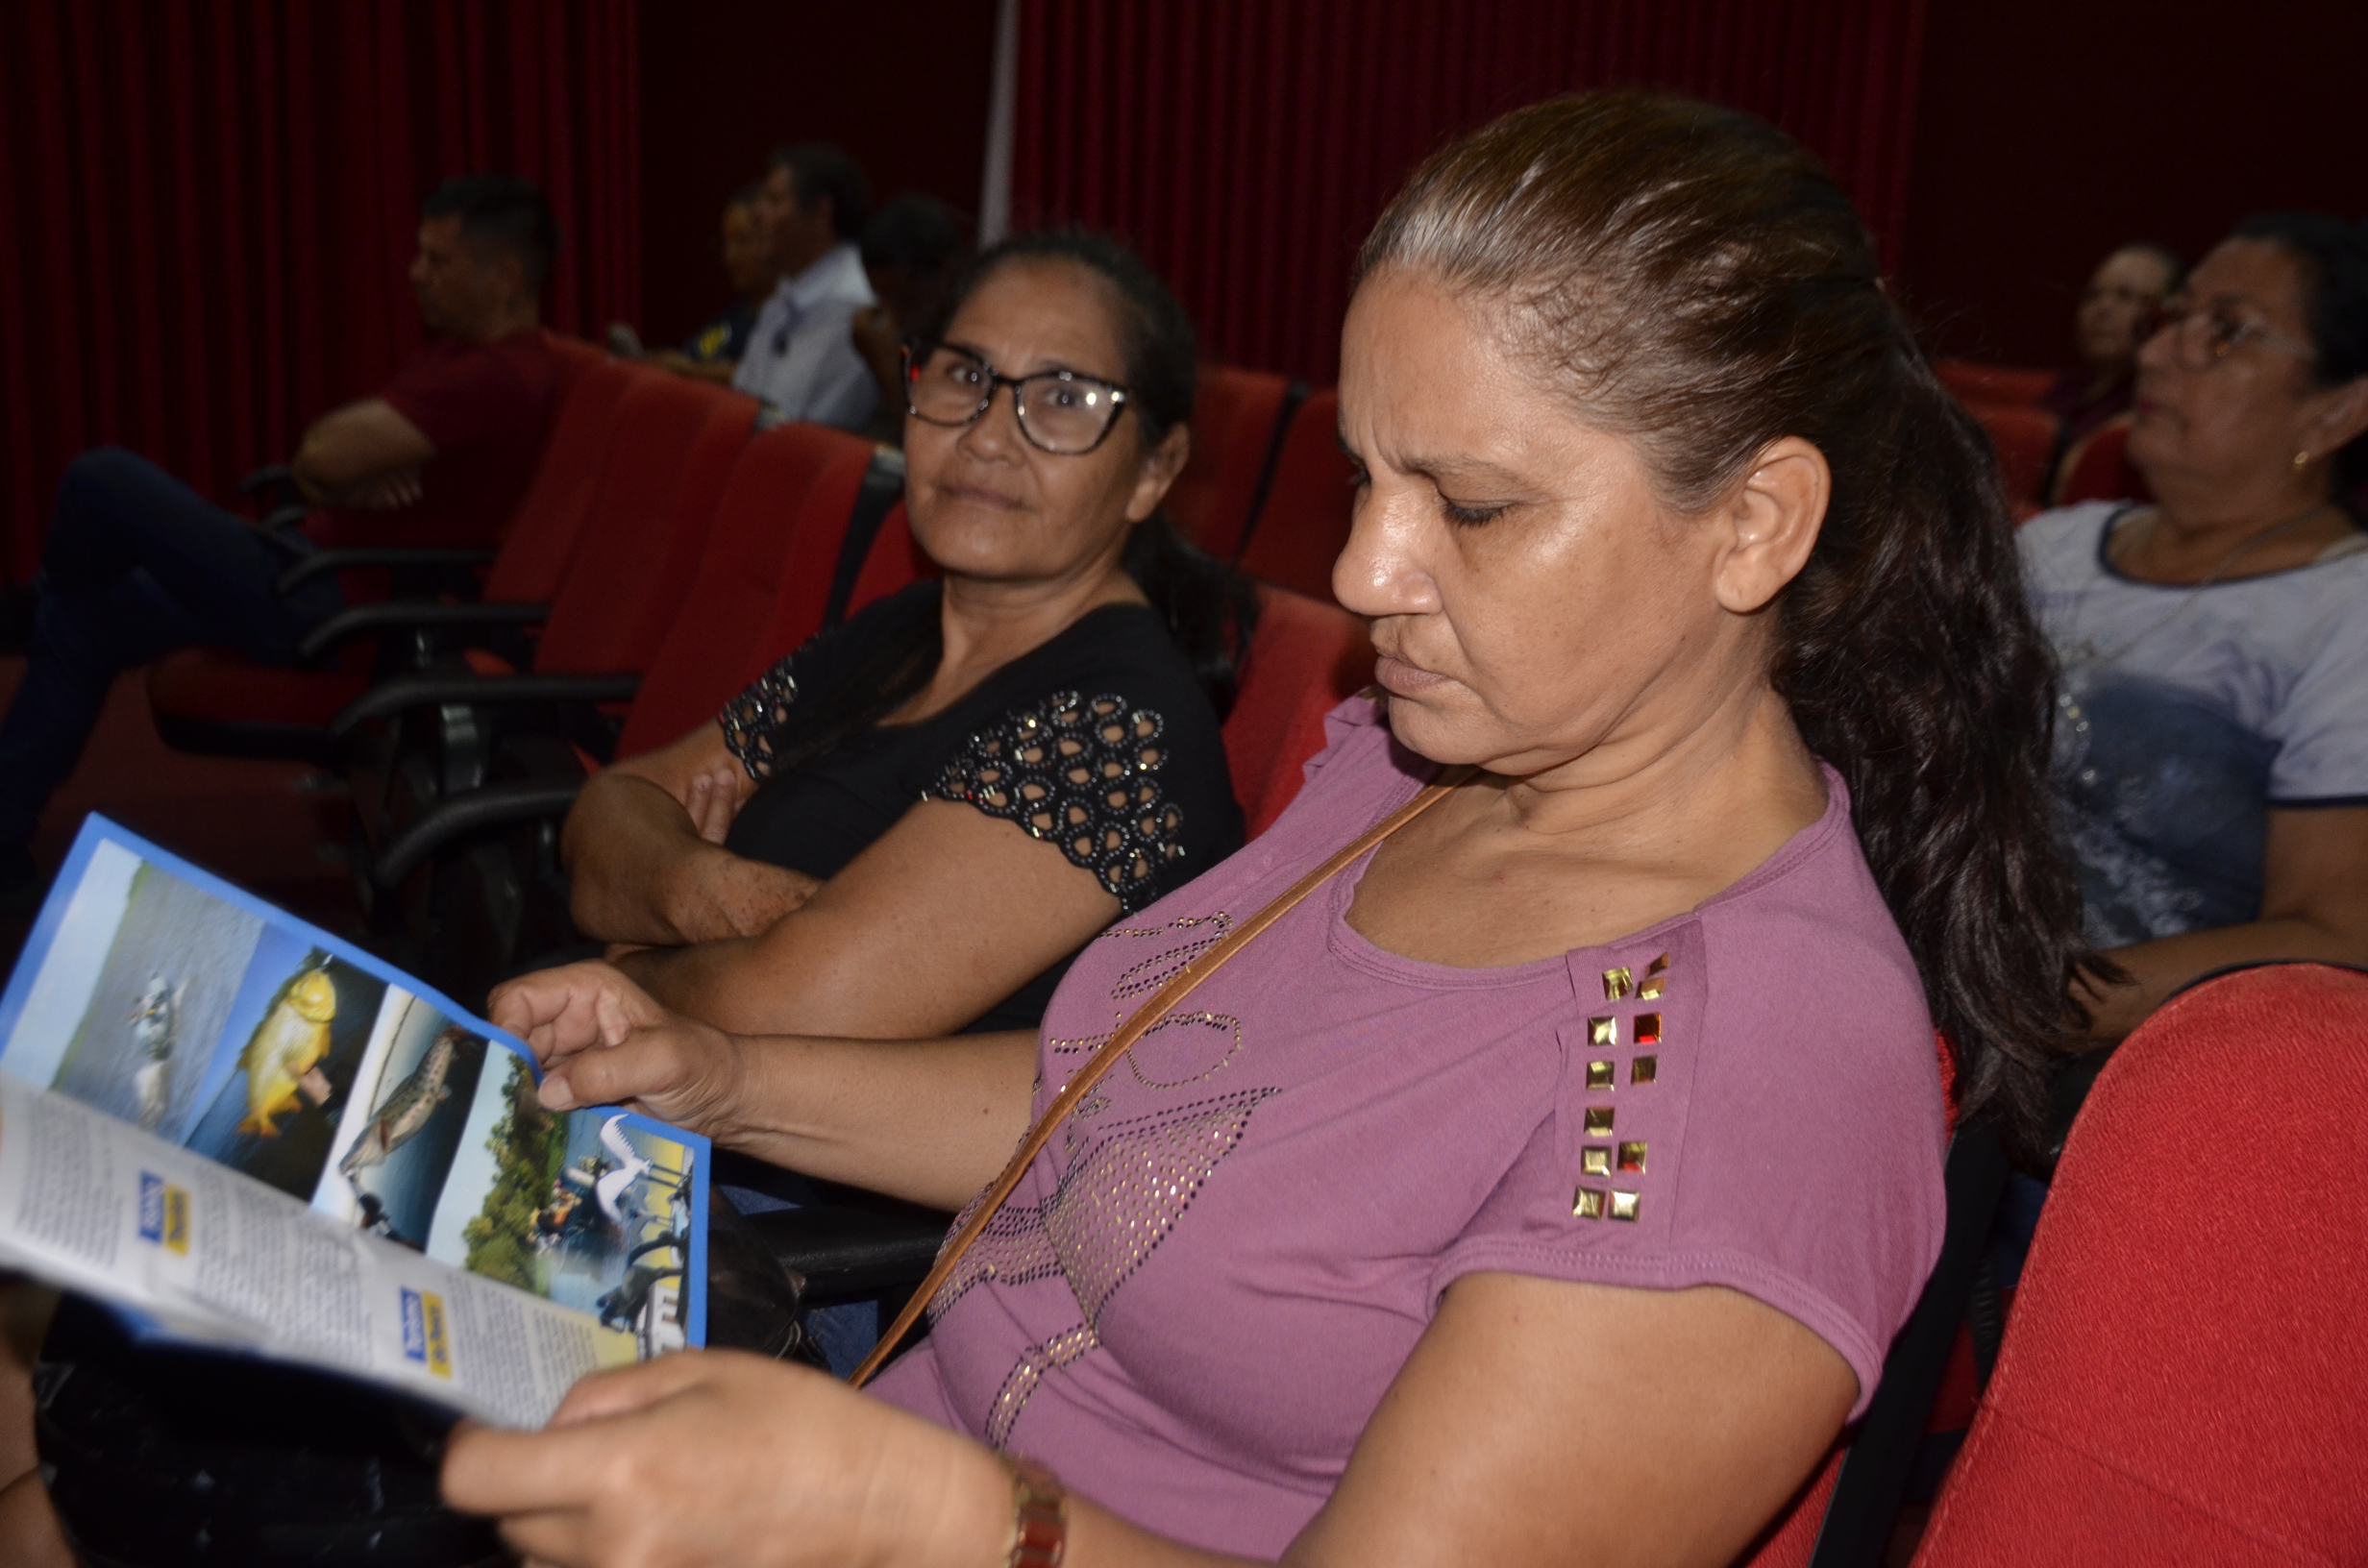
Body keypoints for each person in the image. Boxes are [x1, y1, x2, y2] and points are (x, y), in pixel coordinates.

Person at [447, 94, 2096, 1568]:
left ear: (1749, 525)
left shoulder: (1739, 1063)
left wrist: (910, 1517)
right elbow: (1138, 1110)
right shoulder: (1406, 761)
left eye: (1467, 507)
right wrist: (714, 1080)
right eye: (1366, 481)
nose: (1366, 575)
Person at [555, 230, 1251, 1041]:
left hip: (768, 1162)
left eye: (1063, 398)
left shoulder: (1120, 727)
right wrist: (708, 892)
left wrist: (630, 957)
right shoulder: (906, 628)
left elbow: (794, 1006)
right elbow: (613, 804)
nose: (988, 435)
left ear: (1152, 471)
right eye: (965, 375)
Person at [0, 173, 560, 913]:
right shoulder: (457, 356)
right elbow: (329, 461)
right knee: (85, 625)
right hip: (311, 562)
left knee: (103, 479)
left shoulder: (495, 375)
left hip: (329, 603)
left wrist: (338, 471)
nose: (414, 275)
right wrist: (342, 473)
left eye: (438, 261)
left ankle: (31, 607)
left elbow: (321, 455)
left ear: (506, 274)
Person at [2020, 212, 2368, 1043]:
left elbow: (2334, 938)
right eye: (2174, 319)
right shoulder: (2051, 547)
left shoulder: (2342, 613)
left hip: (2115, 1072)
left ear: (2336, 412)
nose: (2156, 352)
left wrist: (2009, 1011)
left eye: (2228, 333)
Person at [729, 143, 879, 429]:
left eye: (774, 201)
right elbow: (743, 395)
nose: (759, 214)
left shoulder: (850, 306)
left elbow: (786, 424)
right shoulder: (788, 289)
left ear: (821, 214)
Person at [619, 184, 777, 385]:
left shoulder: (784, 320)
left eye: (742, 241)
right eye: (726, 243)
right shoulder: (736, 316)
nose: (730, 257)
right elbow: (696, 353)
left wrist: (690, 370)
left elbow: (768, 378)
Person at [2040, 242, 2184, 453]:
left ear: (2167, 314)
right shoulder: (2069, 389)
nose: (2102, 309)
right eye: (2092, 295)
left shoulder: (2154, 409)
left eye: (2125, 296)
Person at [851, 195, 972, 441]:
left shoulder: (971, 341)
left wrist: (886, 365)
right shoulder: (907, 337)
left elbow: (924, 443)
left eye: (902, 299)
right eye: (880, 296)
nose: (891, 314)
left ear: (947, 274)